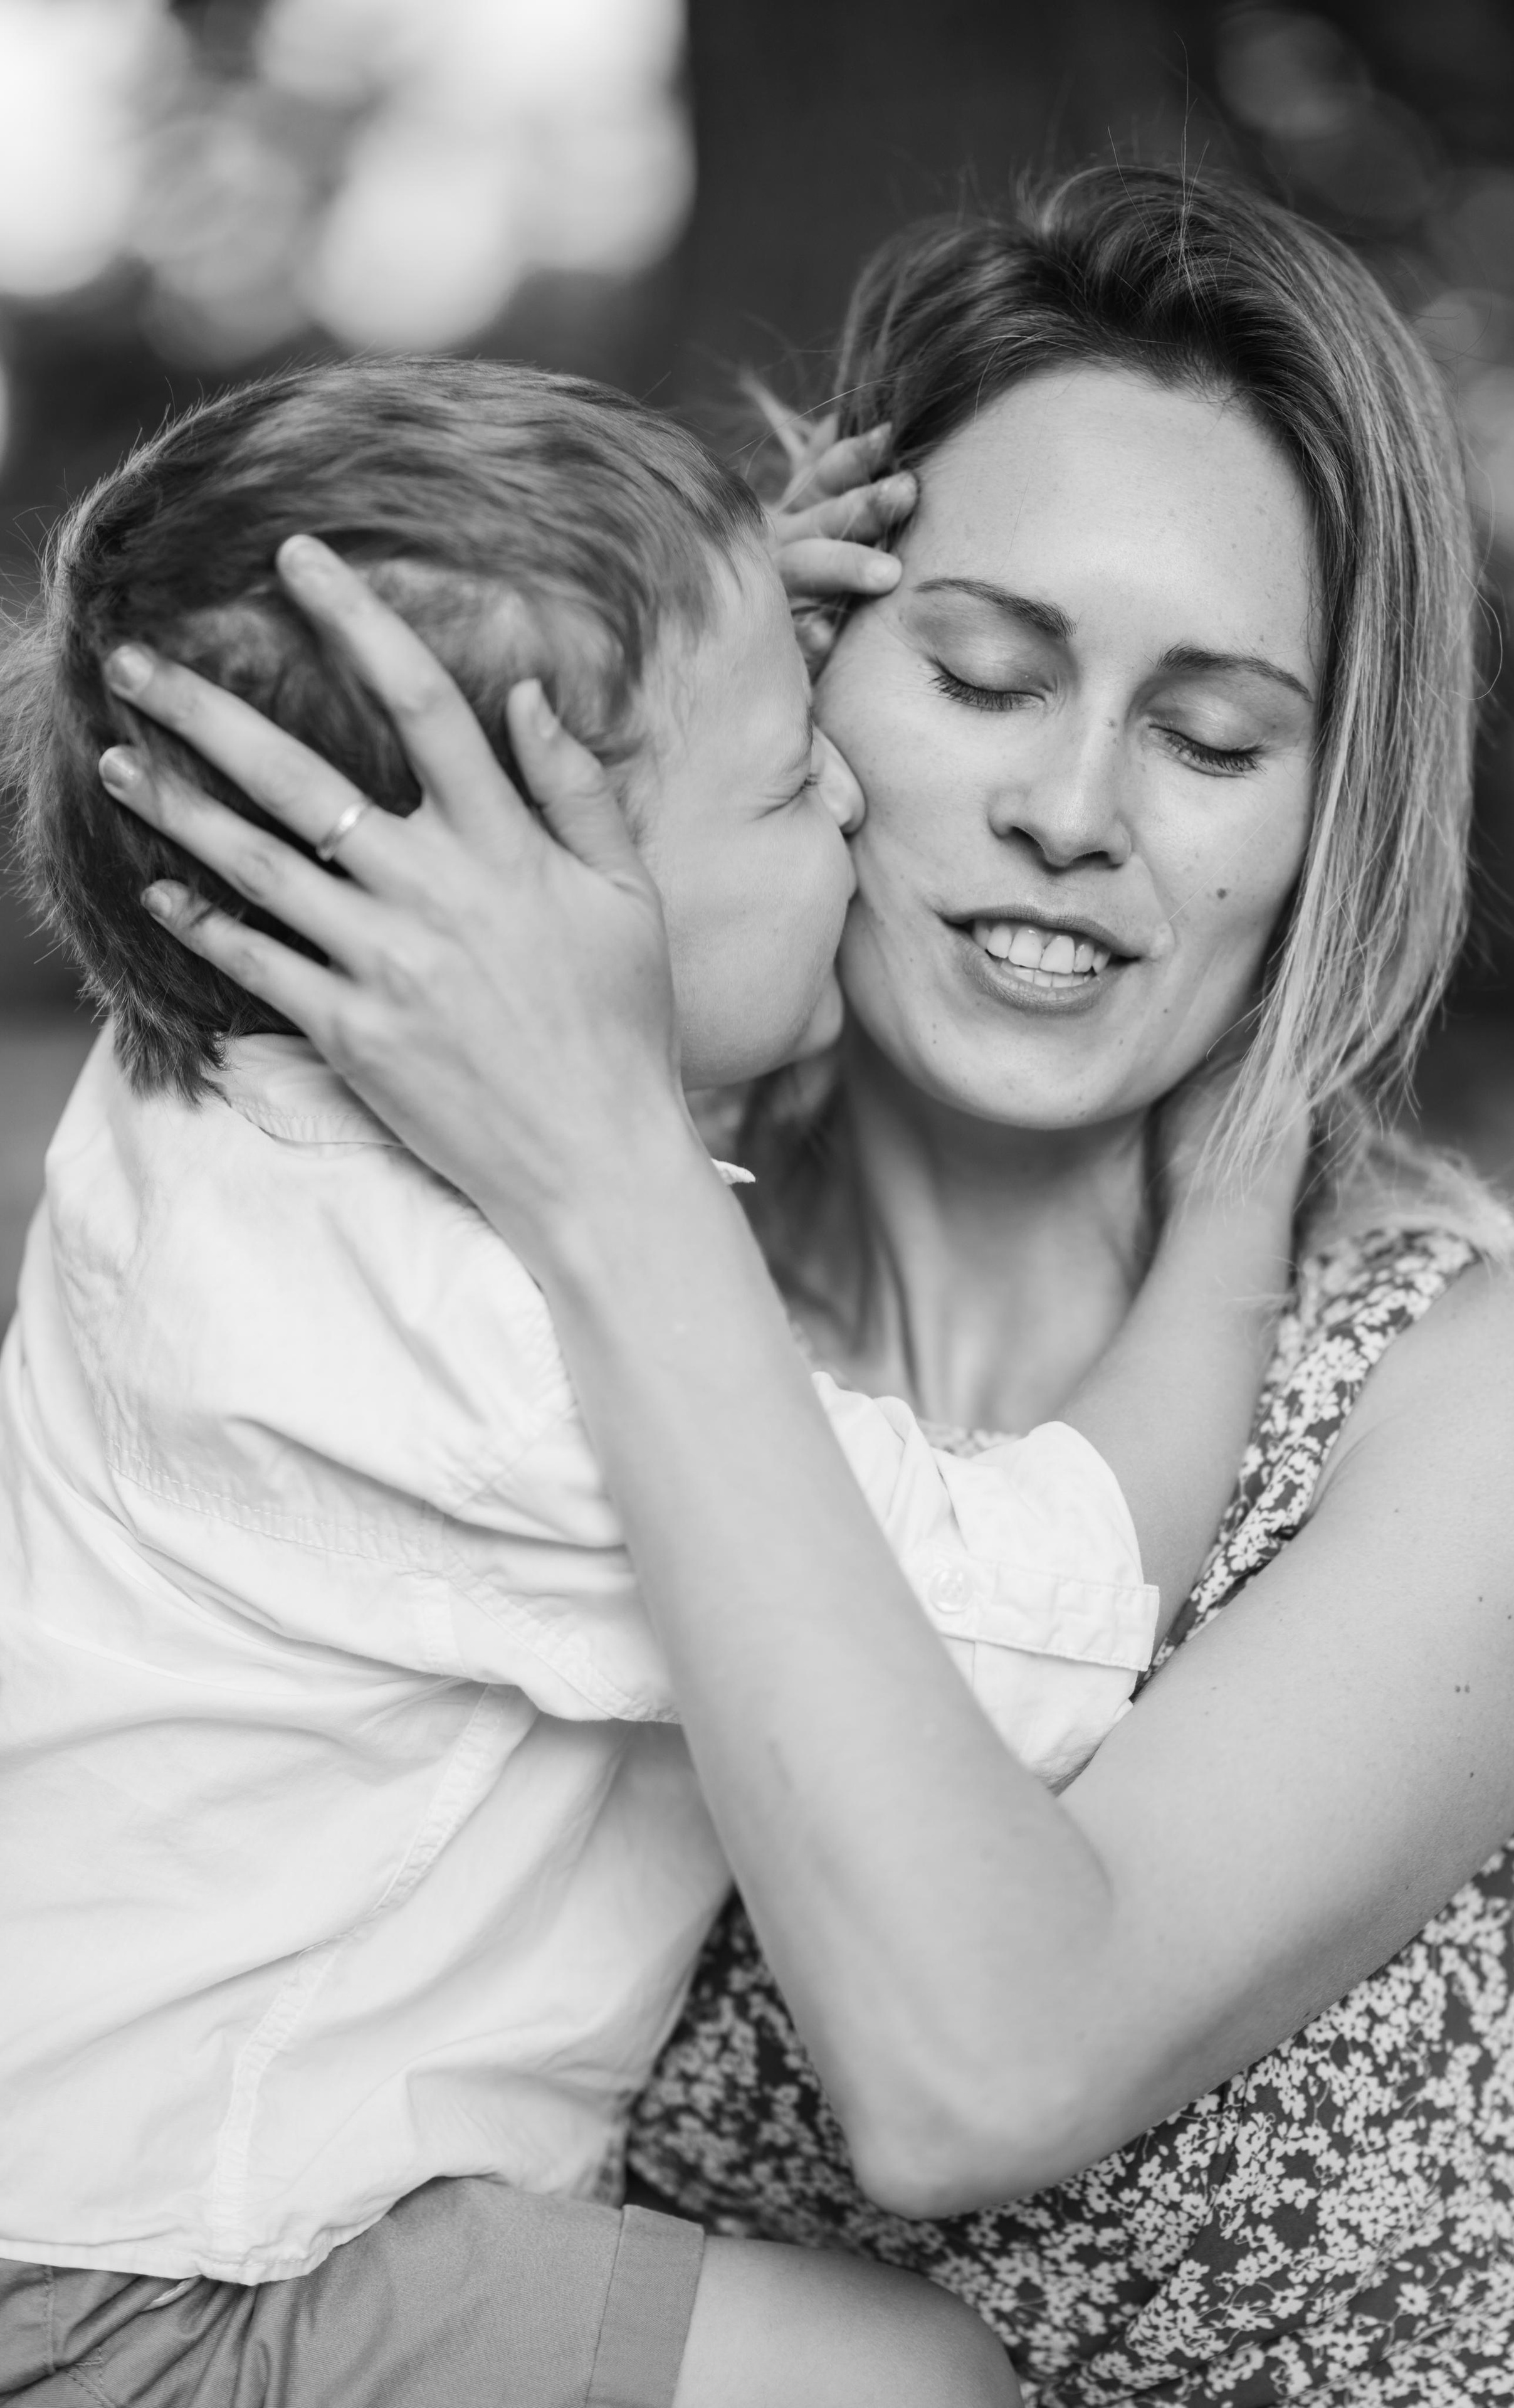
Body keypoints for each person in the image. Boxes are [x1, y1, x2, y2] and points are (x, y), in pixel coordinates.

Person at [84, 164, 1514, 2403]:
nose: (1075, 809)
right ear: (805, 671)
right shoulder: (462, 1309)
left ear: (1331, 819)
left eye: (1211, 739)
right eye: (983, 673)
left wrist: (612, 1171)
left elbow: (979, 2066)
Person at [0, 354, 1300, 2408]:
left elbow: (492, 793)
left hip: (117, 2204)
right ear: (516, 917)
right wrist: (1241, 1208)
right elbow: (1037, 1616)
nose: (857, 790)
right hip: (166, 2299)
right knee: (921, 2392)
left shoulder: (212, 1080)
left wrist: (683, 640)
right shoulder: (484, 1359)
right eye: (794, 780)